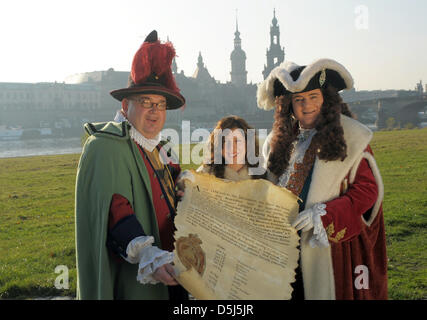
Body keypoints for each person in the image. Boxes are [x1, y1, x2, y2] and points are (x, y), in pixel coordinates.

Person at [257, 59, 387, 300]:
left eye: (313, 97)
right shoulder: (278, 141)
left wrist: (325, 214)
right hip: (283, 251)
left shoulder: (351, 136)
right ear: (289, 105)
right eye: (299, 100)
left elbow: (368, 191)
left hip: (327, 249)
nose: (307, 106)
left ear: (325, 99)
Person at [75, 30, 188, 300]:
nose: (155, 111)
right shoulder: (106, 145)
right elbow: (115, 210)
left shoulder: (160, 146)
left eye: (160, 104)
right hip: (139, 279)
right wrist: (147, 253)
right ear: (126, 105)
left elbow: (172, 181)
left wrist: (186, 185)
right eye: (146, 102)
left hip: (174, 271)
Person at [196, 115, 264, 181]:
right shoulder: (203, 176)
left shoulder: (264, 177)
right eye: (226, 141)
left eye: (237, 141)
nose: (232, 147)